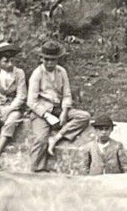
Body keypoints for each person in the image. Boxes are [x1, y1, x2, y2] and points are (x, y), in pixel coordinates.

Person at [26, 40, 90, 171]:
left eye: (53, 60)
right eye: (47, 60)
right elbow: (31, 102)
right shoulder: (37, 74)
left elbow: (66, 94)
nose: (50, 63)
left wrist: (64, 111)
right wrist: (46, 116)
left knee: (84, 116)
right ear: (42, 58)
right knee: (40, 139)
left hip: (57, 108)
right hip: (41, 111)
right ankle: (36, 170)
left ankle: (57, 138)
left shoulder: (61, 72)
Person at [0, 39, 27, 168]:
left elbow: (21, 96)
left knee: (10, 123)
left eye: (12, 60)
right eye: (6, 61)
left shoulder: (19, 73)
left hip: (13, 107)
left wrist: (8, 110)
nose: (10, 64)